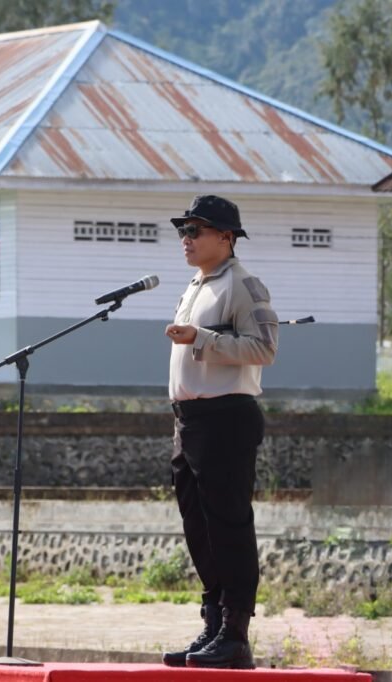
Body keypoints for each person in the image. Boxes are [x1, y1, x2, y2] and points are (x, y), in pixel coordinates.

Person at [162, 194, 279, 669]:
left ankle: (235, 633)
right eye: (183, 231)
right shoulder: (197, 283)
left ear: (226, 237)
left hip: (226, 417)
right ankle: (213, 624)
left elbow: (264, 348)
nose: (186, 239)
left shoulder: (242, 284)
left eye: (196, 230)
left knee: (229, 525)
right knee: (199, 527)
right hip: (189, 421)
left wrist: (202, 339)